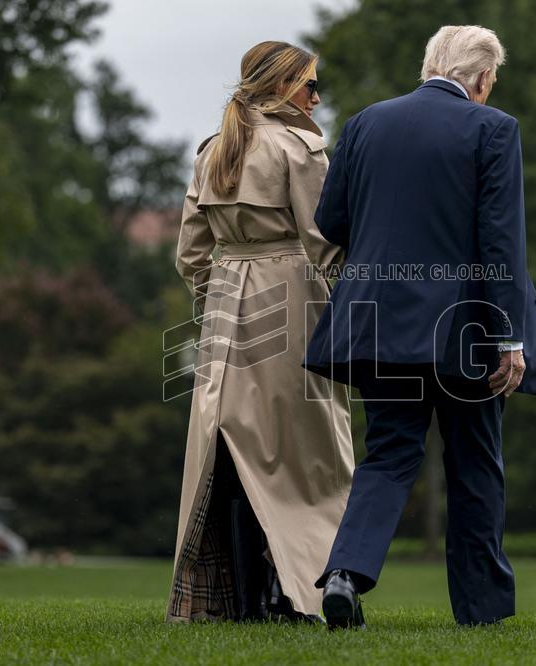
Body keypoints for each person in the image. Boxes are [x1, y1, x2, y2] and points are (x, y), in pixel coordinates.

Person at [304, 25, 536, 628]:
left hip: (379, 325)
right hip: (465, 331)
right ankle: (482, 611)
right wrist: (510, 339)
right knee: (475, 464)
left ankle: (344, 576)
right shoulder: (494, 129)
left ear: (430, 65)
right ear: (484, 78)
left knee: (387, 456)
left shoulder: (366, 123)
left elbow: (331, 220)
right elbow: (501, 242)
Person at [166, 41, 354, 624]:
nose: (316, 97)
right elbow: (327, 245)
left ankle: (244, 598)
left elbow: (190, 254)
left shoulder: (213, 149)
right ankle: (300, 591)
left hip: (227, 300)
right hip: (292, 294)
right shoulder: (298, 147)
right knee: (305, 454)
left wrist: (217, 298)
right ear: (281, 86)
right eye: (308, 85)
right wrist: (355, 310)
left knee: (235, 450)